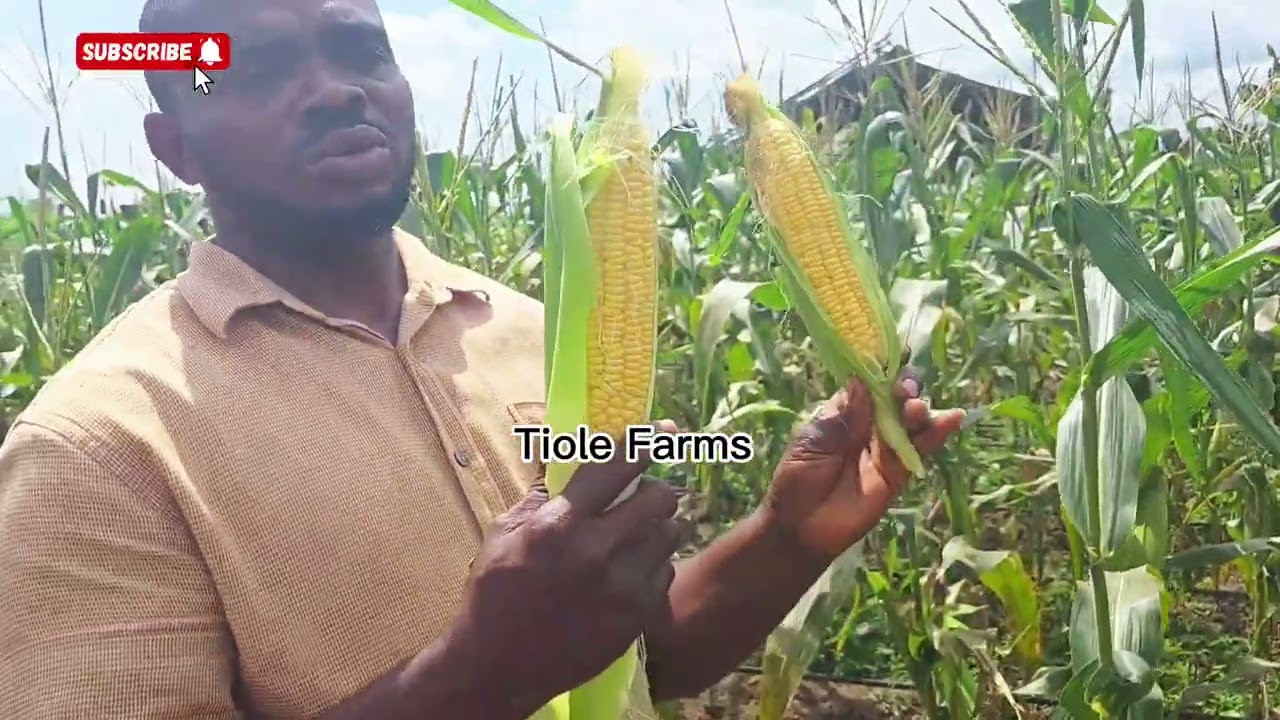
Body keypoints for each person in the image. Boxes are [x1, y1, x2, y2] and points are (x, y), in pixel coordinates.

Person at [0, 0, 966, 717]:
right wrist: (480, 672)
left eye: (362, 52)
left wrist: (788, 537)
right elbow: (525, 656)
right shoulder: (98, 447)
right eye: (257, 69)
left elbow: (634, 659)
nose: (337, 90)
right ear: (175, 146)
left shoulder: (543, 335)